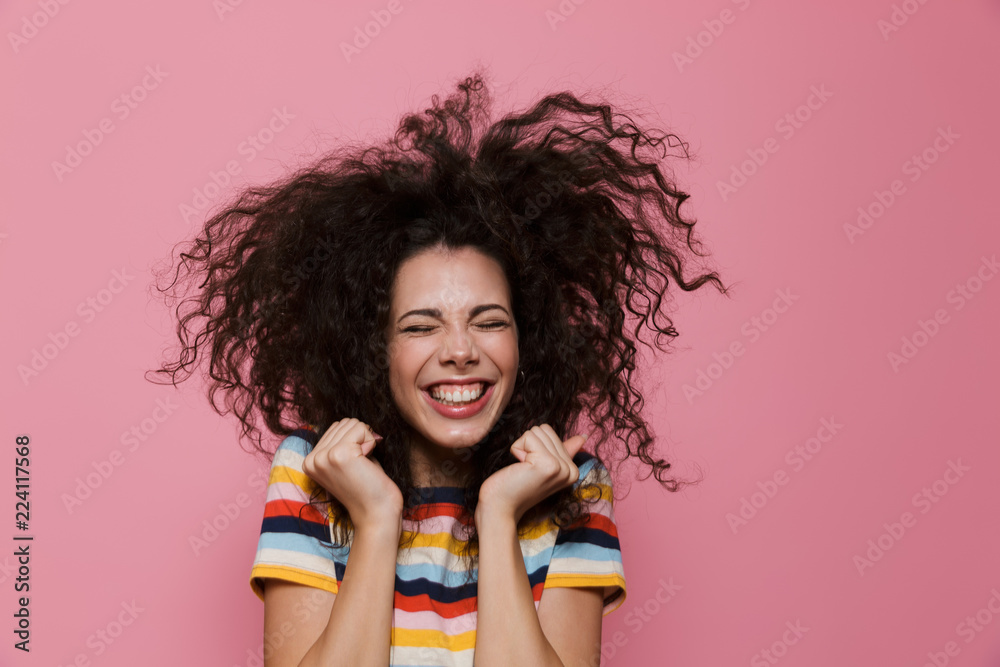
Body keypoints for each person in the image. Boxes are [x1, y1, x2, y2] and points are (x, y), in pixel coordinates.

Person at [148, 68, 728, 666]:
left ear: (530, 341)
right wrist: (376, 519)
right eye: (421, 326)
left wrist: (500, 516)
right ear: (373, 349)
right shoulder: (314, 471)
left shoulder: (569, 481)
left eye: (490, 321)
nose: (459, 350)